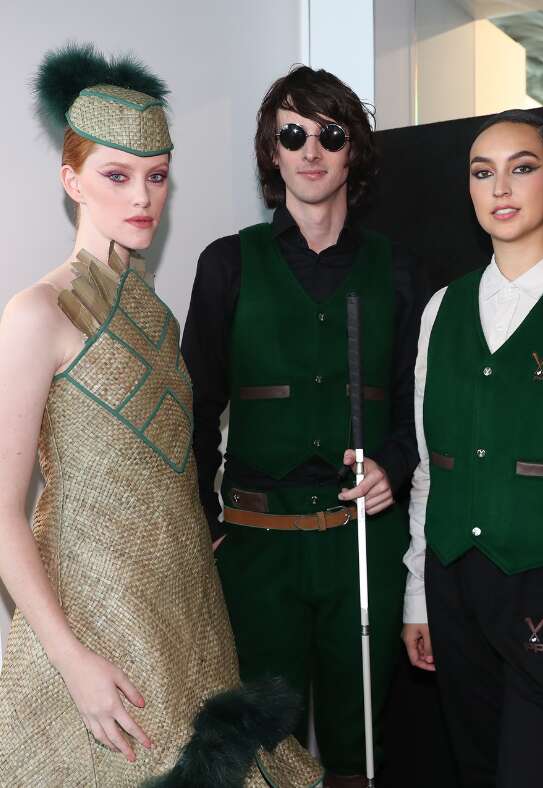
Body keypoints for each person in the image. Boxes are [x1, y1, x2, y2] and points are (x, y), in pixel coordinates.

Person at [0, 45, 322, 786]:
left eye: (156, 176)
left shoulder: (154, 311)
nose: (142, 197)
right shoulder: (37, 312)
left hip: (187, 614)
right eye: (116, 176)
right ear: (71, 179)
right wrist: (73, 660)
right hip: (93, 626)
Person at [181, 65, 423, 788]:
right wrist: (207, 521)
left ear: (354, 152)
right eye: (294, 134)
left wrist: (394, 463)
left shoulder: (398, 269)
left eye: (330, 134)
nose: (311, 149)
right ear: (273, 152)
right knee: (260, 747)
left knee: (361, 749)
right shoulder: (227, 264)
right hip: (258, 551)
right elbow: (193, 408)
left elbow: (418, 406)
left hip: (362, 547)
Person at [401, 109, 543, 788]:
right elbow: (427, 467)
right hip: (456, 588)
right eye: (483, 172)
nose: (501, 187)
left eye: (522, 167)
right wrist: (418, 593)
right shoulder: (441, 309)